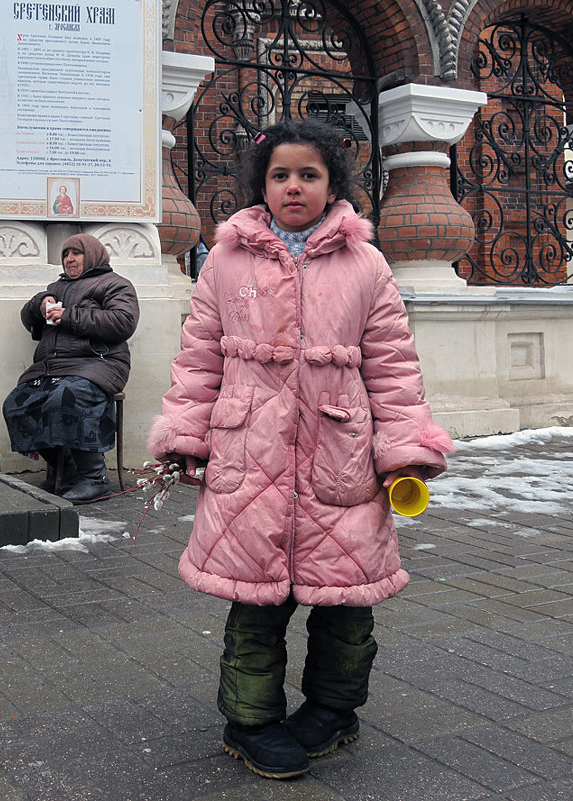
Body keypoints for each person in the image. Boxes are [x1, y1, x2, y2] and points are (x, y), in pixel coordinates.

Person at [146, 119, 454, 780]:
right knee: (255, 604)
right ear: (261, 182)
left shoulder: (364, 264)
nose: (293, 186)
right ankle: (250, 719)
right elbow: (197, 357)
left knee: (345, 603)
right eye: (280, 174)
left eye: (308, 174)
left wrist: (403, 449)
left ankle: (332, 710)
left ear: (331, 183)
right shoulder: (226, 259)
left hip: (338, 458)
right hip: (248, 455)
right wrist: (184, 435)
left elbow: (393, 366)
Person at [3, 233, 139, 504]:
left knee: (66, 397)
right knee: (17, 404)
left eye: (76, 253)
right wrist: (40, 303)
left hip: (99, 363)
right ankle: (68, 467)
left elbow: (123, 322)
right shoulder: (57, 286)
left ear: (92, 255)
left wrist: (69, 316)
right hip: (52, 367)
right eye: (66, 254)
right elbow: (27, 319)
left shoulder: (116, 285)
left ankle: (95, 479)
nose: (70, 259)